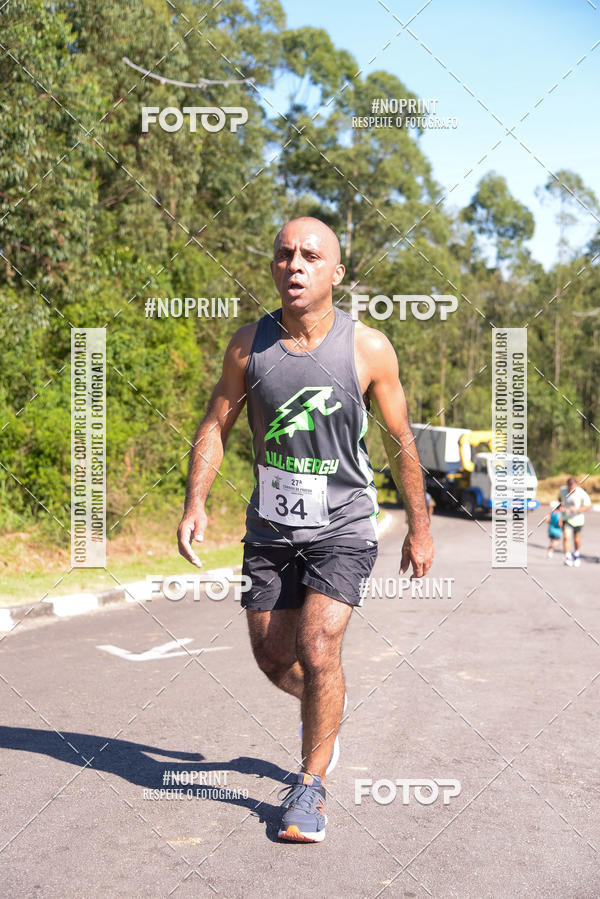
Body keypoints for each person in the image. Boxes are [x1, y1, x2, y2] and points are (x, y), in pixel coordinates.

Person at [177, 216, 434, 843]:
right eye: (285, 254)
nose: (295, 264)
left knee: (319, 649)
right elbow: (216, 425)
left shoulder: (367, 348)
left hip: (344, 524)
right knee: (273, 656)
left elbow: (402, 442)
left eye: (311, 256)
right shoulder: (248, 344)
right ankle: (326, 714)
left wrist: (419, 528)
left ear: (336, 274)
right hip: (270, 526)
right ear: (272, 266)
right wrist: (195, 502)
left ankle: (310, 789)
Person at [558, 476, 592, 567]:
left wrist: (577, 510)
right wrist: (560, 507)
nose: (571, 490)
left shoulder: (582, 493)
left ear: (576, 485)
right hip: (566, 518)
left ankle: (576, 554)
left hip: (578, 520)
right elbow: (559, 500)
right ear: (567, 486)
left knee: (576, 539)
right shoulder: (562, 490)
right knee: (566, 537)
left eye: (573, 488)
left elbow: (588, 506)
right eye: (569, 488)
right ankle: (567, 557)